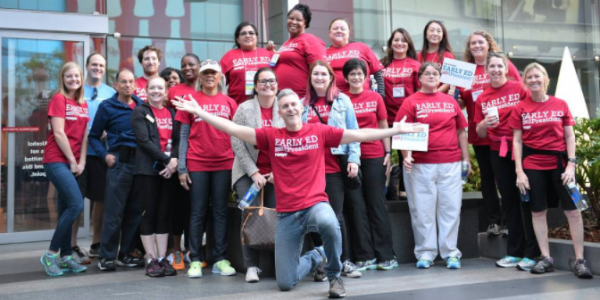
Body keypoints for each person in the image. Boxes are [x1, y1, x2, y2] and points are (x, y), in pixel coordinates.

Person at [171, 88, 423, 299]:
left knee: (329, 222)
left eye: (294, 104)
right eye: (285, 106)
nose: (291, 109)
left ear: (300, 108)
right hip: (287, 215)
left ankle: (335, 278)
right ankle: (317, 256)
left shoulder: (319, 131)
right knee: (285, 282)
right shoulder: (271, 136)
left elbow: (359, 134)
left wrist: (395, 130)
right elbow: (233, 129)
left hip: (314, 204)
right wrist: (200, 112)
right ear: (279, 113)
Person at [509, 63, 593, 279]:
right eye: (529, 77)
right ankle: (546, 258)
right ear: (525, 82)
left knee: (573, 211)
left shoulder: (560, 104)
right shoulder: (520, 108)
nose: (534, 80)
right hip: (533, 165)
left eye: (538, 76)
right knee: (537, 211)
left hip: (560, 165)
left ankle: (580, 260)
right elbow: (517, 141)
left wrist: (571, 166)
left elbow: (570, 137)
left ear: (545, 79)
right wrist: (519, 171)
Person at [397, 62, 470, 270]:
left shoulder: (450, 101)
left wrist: (465, 159)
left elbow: (460, 132)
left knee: (451, 209)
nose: (431, 76)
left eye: (435, 73)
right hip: (420, 165)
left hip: (451, 163)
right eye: (427, 73)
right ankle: (425, 253)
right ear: (419, 78)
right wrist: (406, 156)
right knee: (422, 210)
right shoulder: (410, 102)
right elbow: (403, 131)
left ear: (440, 78)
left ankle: (451, 253)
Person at [474, 52, 540, 271]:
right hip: (498, 150)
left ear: (506, 68)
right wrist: (483, 122)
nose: (495, 70)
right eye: (491, 66)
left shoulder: (519, 88)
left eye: (499, 66)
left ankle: (533, 253)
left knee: (526, 197)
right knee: (509, 201)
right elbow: (480, 132)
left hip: (523, 148)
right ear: (486, 71)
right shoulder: (482, 97)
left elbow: (533, 110)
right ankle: (514, 252)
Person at [175, 60, 238, 278]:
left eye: (213, 73)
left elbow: (237, 136)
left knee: (220, 210)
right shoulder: (189, 100)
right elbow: (183, 135)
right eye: (205, 74)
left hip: (224, 163)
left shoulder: (230, 103)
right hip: (197, 163)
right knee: (197, 211)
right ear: (200, 78)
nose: (210, 76)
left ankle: (220, 258)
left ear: (220, 77)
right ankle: (195, 259)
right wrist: (182, 167)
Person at [458, 31, 522, 237]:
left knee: (508, 179)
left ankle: (513, 221)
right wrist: (451, 95)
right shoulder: (463, 70)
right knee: (488, 178)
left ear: (488, 45)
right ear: (469, 47)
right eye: (473, 43)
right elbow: (460, 103)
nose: (477, 46)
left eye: (481, 42)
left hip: (508, 135)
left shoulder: (502, 62)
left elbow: (520, 91)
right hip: (481, 133)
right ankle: (494, 222)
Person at [302, 61, 362, 278]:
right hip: (310, 171)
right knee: (316, 218)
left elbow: (353, 132)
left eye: (323, 74)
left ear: (330, 77)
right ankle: (325, 262)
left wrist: (354, 159)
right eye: (315, 74)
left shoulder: (342, 100)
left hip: (334, 167)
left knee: (335, 216)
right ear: (310, 77)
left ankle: (343, 260)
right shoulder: (302, 104)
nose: (319, 77)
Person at [342, 58, 397, 271]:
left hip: (374, 156)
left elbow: (383, 125)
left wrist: (388, 152)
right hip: (350, 159)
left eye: (360, 74)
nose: (356, 77)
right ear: (346, 77)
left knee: (376, 205)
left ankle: (385, 255)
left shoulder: (375, 97)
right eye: (352, 74)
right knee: (356, 206)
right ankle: (364, 256)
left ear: (366, 77)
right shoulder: (341, 99)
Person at [89, 69, 145, 271]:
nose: (128, 85)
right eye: (123, 82)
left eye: (131, 81)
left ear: (135, 85)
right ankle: (107, 256)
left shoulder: (141, 106)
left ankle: (125, 254)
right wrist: (104, 155)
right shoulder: (107, 107)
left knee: (134, 212)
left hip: (139, 164)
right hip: (119, 163)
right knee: (114, 212)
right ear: (116, 85)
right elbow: (94, 136)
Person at [232, 68, 283, 283]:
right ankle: (251, 266)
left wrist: (276, 172)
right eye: (263, 81)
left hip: (277, 172)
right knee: (250, 213)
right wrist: (253, 172)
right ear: (255, 85)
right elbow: (236, 141)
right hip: (246, 171)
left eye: (272, 81)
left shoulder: (284, 106)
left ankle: (278, 265)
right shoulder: (244, 109)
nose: (268, 85)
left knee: (276, 215)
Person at [40, 62, 89, 276]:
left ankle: (67, 256)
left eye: (77, 76)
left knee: (66, 208)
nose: (73, 80)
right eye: (69, 76)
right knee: (76, 205)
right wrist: (71, 159)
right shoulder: (59, 99)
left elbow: (85, 135)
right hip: (56, 160)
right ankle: (50, 254)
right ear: (63, 78)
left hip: (75, 162)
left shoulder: (82, 103)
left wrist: (82, 162)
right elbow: (58, 133)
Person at [131, 76, 180, 277]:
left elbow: (177, 140)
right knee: (149, 213)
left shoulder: (171, 112)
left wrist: (174, 161)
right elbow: (144, 140)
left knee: (163, 214)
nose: (156, 91)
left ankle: (161, 258)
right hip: (147, 171)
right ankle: (150, 259)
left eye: (160, 88)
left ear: (166, 91)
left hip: (169, 170)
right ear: (146, 91)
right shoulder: (140, 111)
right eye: (152, 88)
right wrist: (166, 160)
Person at [72, 53, 116, 263]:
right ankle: (71, 245)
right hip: (77, 155)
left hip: (101, 155)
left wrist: (109, 131)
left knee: (101, 200)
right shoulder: (76, 90)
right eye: (94, 64)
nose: (97, 68)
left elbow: (116, 119)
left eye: (101, 65)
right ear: (86, 66)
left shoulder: (110, 92)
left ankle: (96, 243)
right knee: (75, 201)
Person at [165, 54, 201, 270]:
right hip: (180, 145)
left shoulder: (207, 89)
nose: (187, 68)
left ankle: (192, 249)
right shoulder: (175, 91)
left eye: (191, 65)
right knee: (179, 204)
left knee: (195, 207)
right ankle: (175, 250)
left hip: (202, 152)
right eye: (183, 66)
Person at [272, 3, 326, 98]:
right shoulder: (286, 43)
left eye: (298, 20)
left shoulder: (310, 40)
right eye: (291, 18)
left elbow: (320, 70)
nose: (293, 22)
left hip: (301, 99)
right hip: (281, 98)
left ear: (305, 23)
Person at [326, 18, 384, 98]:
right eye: (335, 28)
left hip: (364, 100)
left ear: (349, 32)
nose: (339, 31)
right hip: (336, 101)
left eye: (343, 29)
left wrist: (381, 95)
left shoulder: (361, 47)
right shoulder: (324, 54)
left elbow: (377, 73)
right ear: (329, 32)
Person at [221, 21, 273, 105]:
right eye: (243, 33)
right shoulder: (229, 55)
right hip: (237, 107)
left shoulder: (268, 53)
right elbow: (218, 82)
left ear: (257, 37)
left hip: (266, 106)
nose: (248, 35)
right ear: (237, 39)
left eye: (251, 33)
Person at [380, 28, 421, 127]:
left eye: (403, 41)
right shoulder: (381, 64)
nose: (399, 43)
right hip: (386, 118)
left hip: (410, 117)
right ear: (391, 43)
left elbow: (420, 92)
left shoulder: (416, 65)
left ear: (408, 45)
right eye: (396, 40)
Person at [417, 20, 454, 93]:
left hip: (440, 98)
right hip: (422, 98)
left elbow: (449, 81)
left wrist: (434, 93)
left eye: (438, 31)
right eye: (432, 30)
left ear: (443, 35)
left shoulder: (448, 56)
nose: (435, 33)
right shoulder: (418, 56)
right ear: (425, 34)